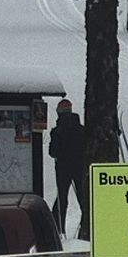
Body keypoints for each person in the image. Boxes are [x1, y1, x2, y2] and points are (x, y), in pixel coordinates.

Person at [49, 98, 86, 235]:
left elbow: (52, 152)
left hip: (63, 167)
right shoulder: (82, 130)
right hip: (79, 166)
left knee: (62, 198)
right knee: (82, 197)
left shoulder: (57, 131)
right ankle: (86, 226)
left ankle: (58, 229)